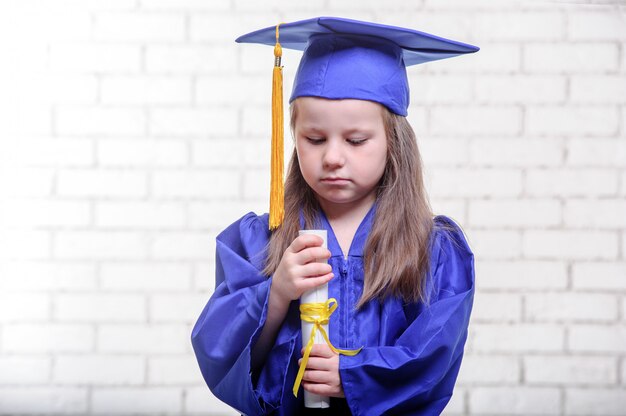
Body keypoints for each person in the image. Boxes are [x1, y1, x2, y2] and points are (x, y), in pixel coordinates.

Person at [192, 17, 478, 416]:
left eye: (356, 140)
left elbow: (434, 354)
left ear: (393, 143)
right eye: (314, 139)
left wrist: (354, 375)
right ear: (294, 137)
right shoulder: (262, 240)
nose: (332, 157)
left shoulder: (431, 249)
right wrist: (275, 294)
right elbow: (220, 353)